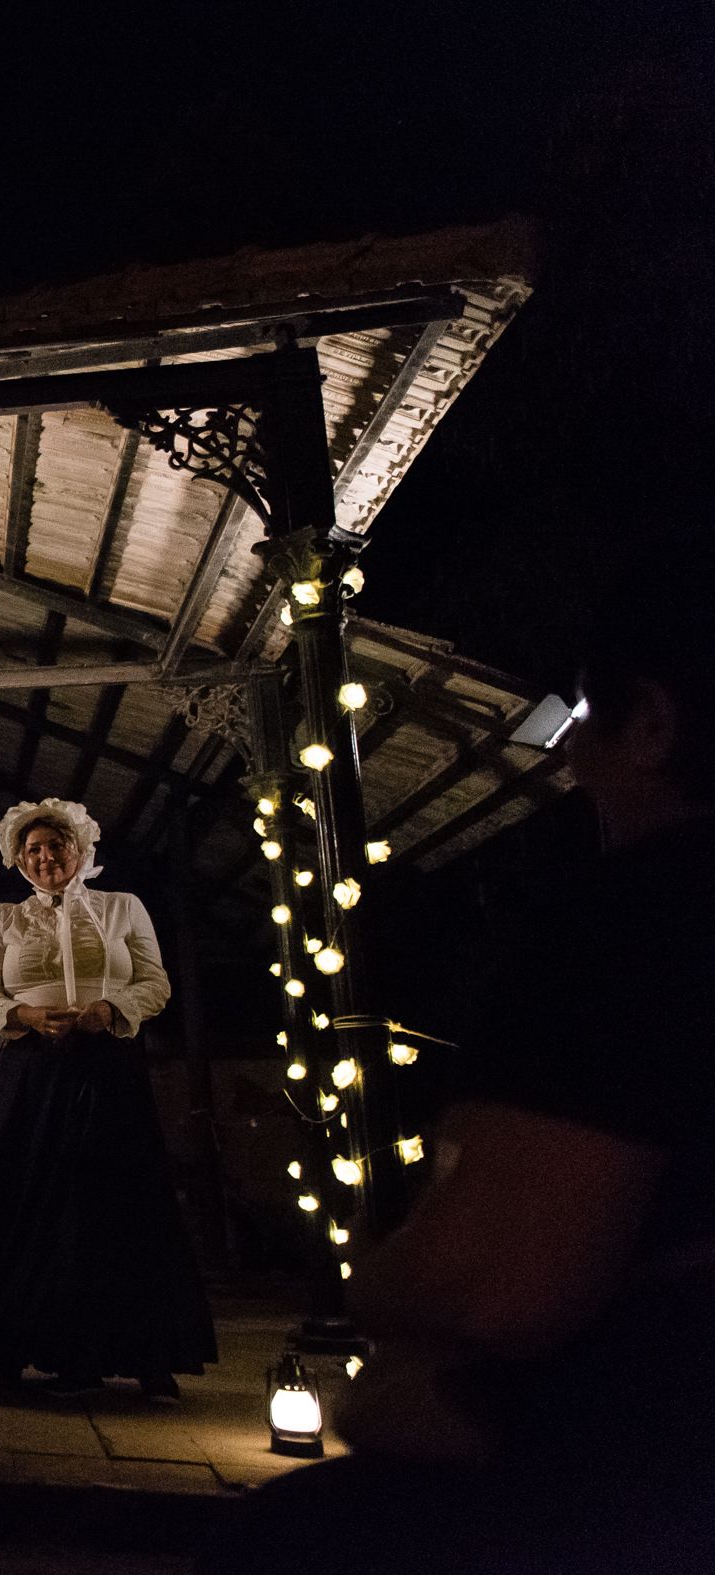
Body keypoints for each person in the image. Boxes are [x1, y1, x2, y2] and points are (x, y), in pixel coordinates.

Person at [202, 607, 715, 1573]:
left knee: (292, 1537)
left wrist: (371, 1281)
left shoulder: (643, 916)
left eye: (585, 721)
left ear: (651, 723)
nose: (570, 761)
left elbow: (493, 1287)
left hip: (656, 1468)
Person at [0, 798, 212, 1399]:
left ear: (81, 849)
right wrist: (22, 1014)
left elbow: (154, 981)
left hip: (107, 1068)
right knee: (23, 1197)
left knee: (113, 1201)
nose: (46, 857)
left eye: (56, 845)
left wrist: (111, 1009)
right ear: (18, 859)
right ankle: (8, 1343)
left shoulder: (122, 907)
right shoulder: (5, 918)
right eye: (33, 850)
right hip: (31, 1071)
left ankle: (142, 1351)